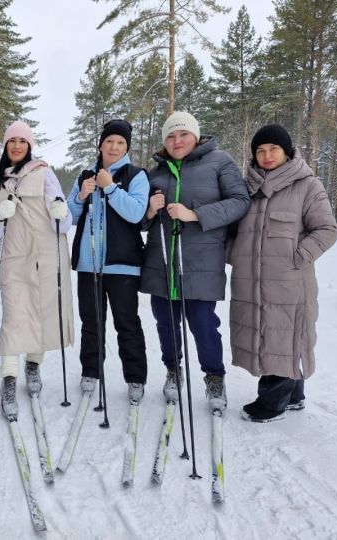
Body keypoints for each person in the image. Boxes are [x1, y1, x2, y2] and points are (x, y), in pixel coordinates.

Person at [228, 124, 337, 422]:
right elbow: (231, 232)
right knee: (267, 334)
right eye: (260, 150)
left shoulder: (307, 185)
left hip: (290, 281)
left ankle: (272, 403)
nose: (266, 155)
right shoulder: (245, 188)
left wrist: (298, 256)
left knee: (284, 337)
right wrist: (235, 254)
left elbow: (326, 230)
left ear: (287, 152)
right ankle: (294, 396)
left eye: (273, 149)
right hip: (252, 281)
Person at [142, 111, 250, 411]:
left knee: (203, 325)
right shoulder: (154, 173)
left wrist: (195, 214)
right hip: (161, 261)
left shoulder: (220, 162)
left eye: (183, 135)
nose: (177, 141)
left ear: (195, 136)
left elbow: (240, 201)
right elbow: (139, 220)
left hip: (201, 262)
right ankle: (173, 371)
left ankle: (214, 376)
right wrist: (150, 211)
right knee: (166, 324)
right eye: (171, 136)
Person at [0, 120, 74, 419]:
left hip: (48, 254)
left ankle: (33, 365)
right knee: (14, 316)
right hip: (14, 255)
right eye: (12, 141)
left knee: (43, 311)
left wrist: (62, 212)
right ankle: (9, 378)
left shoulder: (43, 172)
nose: (17, 146)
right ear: (5, 146)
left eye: (22, 142)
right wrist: (1, 215)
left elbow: (63, 222)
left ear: (29, 146)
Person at [67, 119, 149, 401]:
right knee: (91, 322)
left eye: (120, 143)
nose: (114, 147)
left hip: (122, 264)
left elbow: (137, 213)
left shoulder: (136, 175)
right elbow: (68, 218)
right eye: (109, 141)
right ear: (100, 144)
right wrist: (81, 195)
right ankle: (91, 371)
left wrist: (111, 187)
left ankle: (135, 377)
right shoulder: (85, 175)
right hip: (89, 266)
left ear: (127, 147)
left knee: (126, 322)